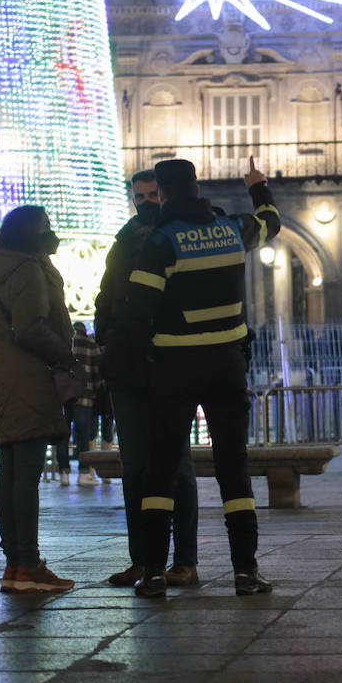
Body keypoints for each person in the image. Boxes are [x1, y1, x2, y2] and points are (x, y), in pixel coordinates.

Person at [124, 157, 280, 597]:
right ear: (197, 186)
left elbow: (137, 311)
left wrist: (139, 361)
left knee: (162, 469)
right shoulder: (232, 229)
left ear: (163, 194)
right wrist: (257, 186)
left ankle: (155, 572)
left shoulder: (161, 242)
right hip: (227, 365)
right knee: (234, 467)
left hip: (175, 367)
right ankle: (245, 571)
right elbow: (271, 221)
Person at [94, 169, 201, 588]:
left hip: (171, 365)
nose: (145, 203)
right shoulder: (123, 242)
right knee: (135, 467)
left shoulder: (179, 238)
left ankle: (184, 561)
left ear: (166, 194)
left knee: (179, 468)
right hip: (128, 366)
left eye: (152, 195)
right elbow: (106, 295)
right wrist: (109, 335)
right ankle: (141, 559)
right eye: (139, 197)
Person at [0, 205, 76, 594]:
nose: (51, 232)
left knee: (12, 470)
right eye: (45, 226)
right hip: (29, 375)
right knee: (26, 474)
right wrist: (65, 356)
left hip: (4, 376)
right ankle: (28, 565)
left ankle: (15, 565)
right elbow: (31, 328)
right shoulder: (27, 270)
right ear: (29, 233)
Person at [69, 323, 102, 486]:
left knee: (63, 435)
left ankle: (63, 472)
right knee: (84, 437)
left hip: (66, 396)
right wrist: (95, 391)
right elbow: (97, 371)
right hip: (86, 397)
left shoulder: (67, 342)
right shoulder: (91, 344)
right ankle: (83, 473)